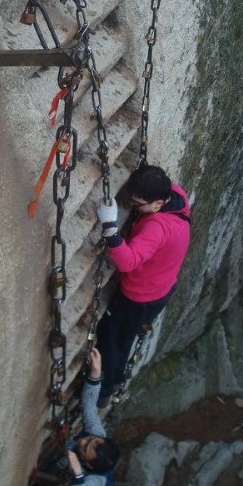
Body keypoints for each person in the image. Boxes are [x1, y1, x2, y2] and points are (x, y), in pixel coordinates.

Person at [96, 164, 190, 407]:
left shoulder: (156, 228)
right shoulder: (177, 196)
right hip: (162, 288)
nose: (133, 205)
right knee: (125, 338)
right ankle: (115, 382)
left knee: (110, 339)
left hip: (139, 297)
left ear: (157, 204)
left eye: (137, 203)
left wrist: (110, 228)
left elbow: (127, 262)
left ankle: (104, 391)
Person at [17, 348, 120, 486]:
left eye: (84, 448)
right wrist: (95, 375)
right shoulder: (98, 436)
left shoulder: (96, 480)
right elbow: (89, 407)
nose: (82, 442)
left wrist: (78, 474)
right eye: (89, 440)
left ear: (89, 466)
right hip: (45, 479)